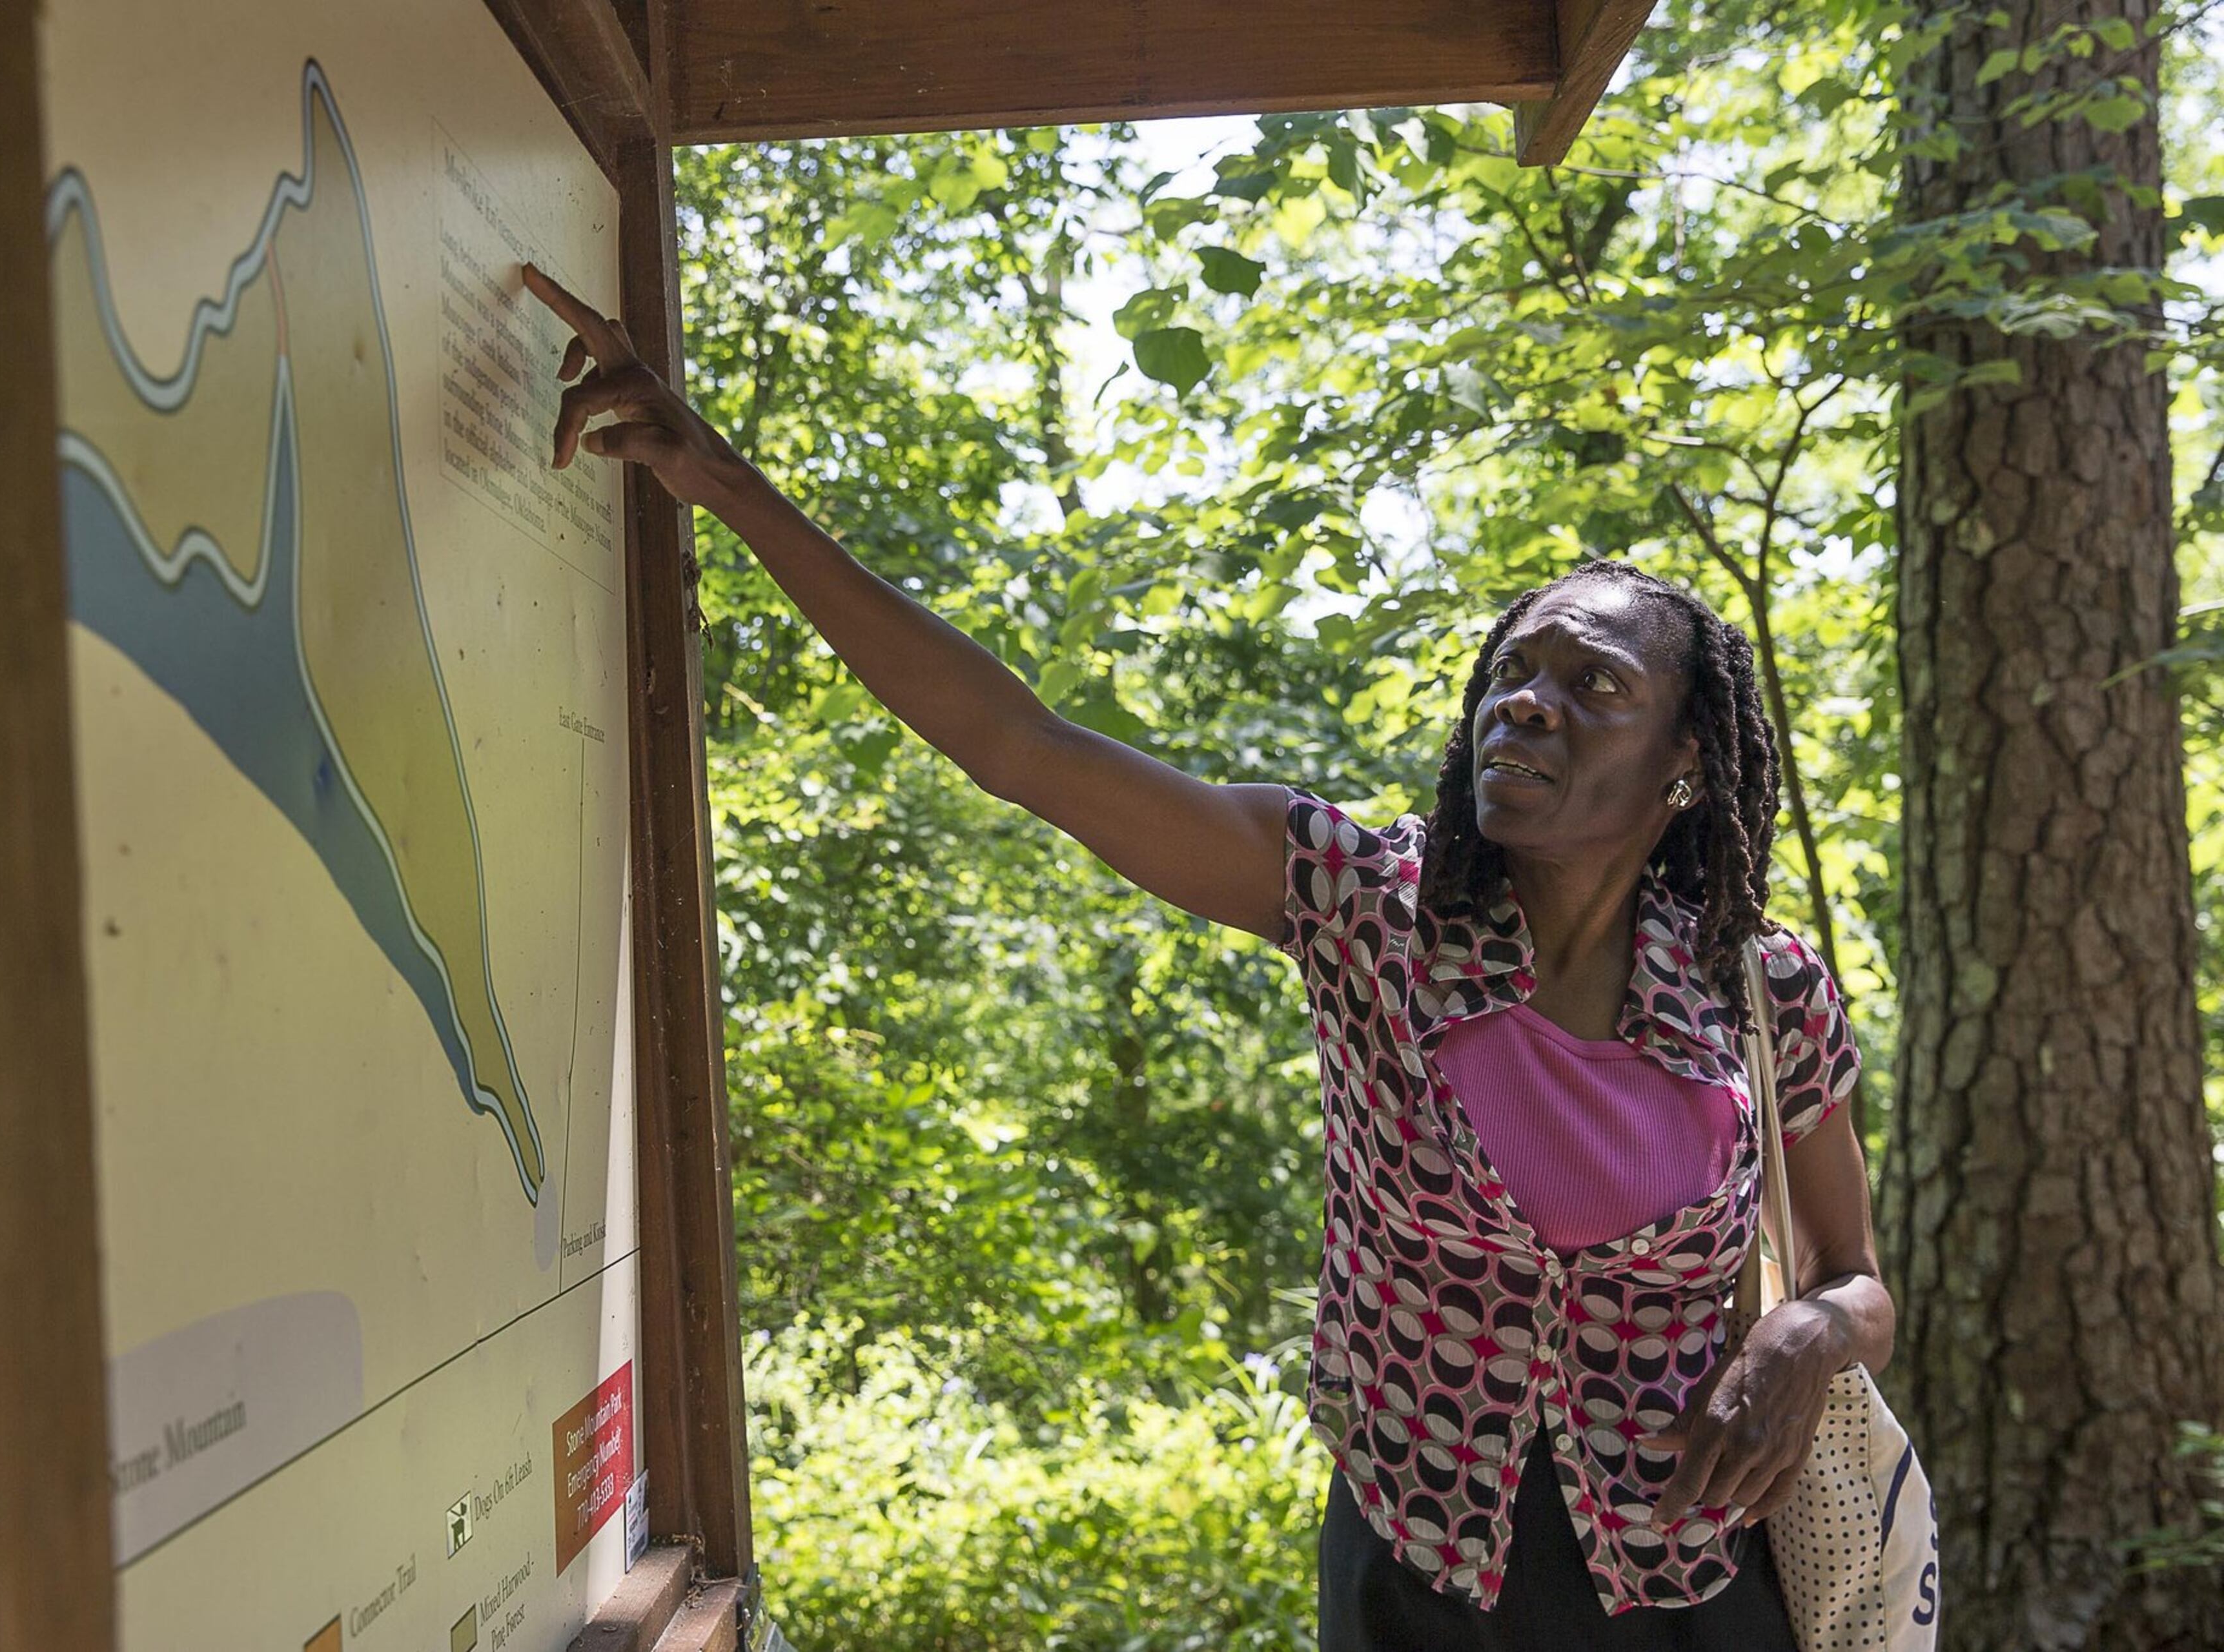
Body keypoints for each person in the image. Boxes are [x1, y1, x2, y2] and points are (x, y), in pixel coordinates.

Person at [518, 263, 1895, 1652]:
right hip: (1417, 1584)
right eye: (1512, 672)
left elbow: (1857, 1274)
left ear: (1686, 760)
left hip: (1689, 1598)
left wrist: (1809, 1333)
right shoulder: (1369, 908)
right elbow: (1019, 746)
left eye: (1592, 682)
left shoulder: (1759, 989)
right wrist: (720, 480)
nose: (1528, 703)